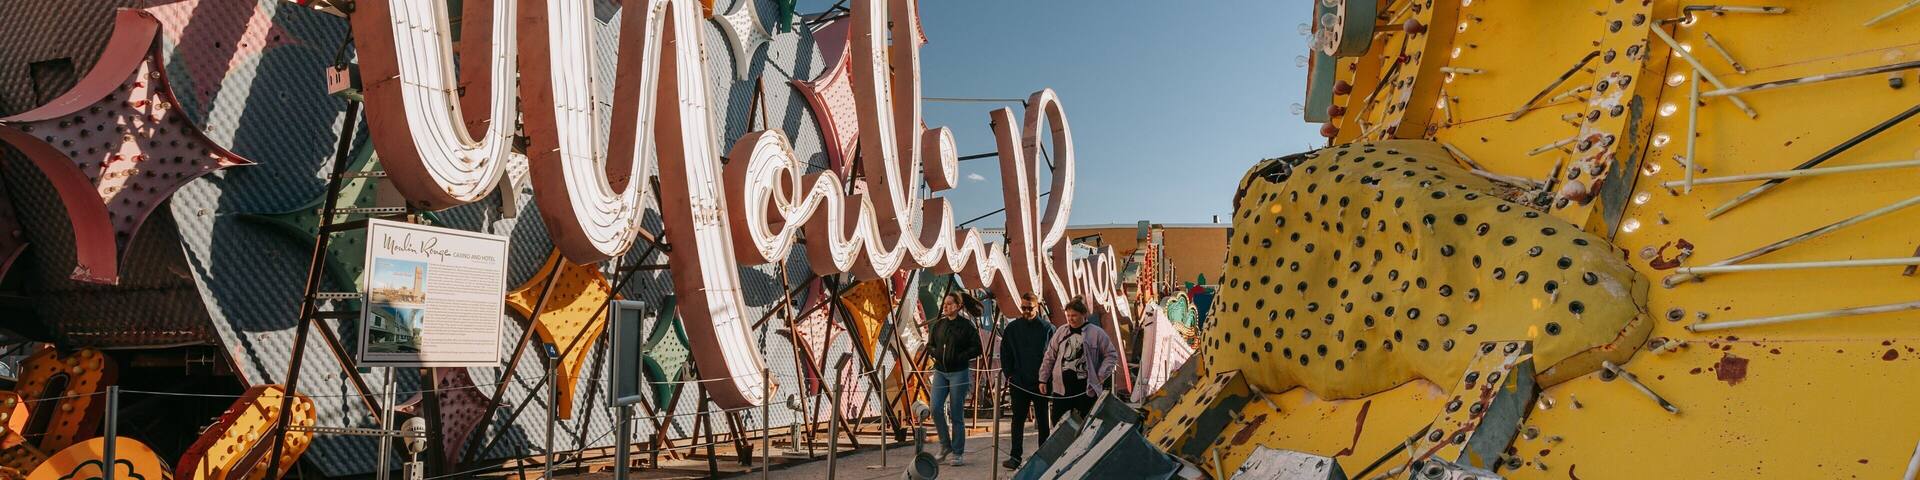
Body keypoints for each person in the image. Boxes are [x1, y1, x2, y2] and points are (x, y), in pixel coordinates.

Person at [1038, 298, 1119, 427]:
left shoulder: (1096, 333)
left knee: (1086, 423)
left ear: (1084, 314)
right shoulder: (1061, 332)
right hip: (1062, 388)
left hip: (1086, 389)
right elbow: (1049, 356)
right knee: (1058, 421)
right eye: (1068, 315)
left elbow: (1111, 355)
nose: (1071, 319)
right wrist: (1043, 379)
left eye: (1074, 315)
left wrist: (1101, 375)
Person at [998, 293, 1054, 470]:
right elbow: (1005, 352)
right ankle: (1015, 456)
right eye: (1023, 307)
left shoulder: (1047, 328)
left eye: (1029, 308)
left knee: (1043, 420)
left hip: (1041, 383)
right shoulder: (1013, 328)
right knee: (1018, 420)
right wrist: (1009, 374)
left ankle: (1044, 456)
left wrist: (1047, 379)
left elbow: (1053, 355)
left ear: (1037, 307)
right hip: (1019, 381)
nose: (1026, 311)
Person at [926, 291, 982, 466]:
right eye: (945, 303)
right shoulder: (939, 325)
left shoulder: (966, 326)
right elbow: (930, 344)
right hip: (940, 372)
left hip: (959, 372)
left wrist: (960, 356)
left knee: (957, 413)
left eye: (950, 304)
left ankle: (957, 452)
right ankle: (945, 446)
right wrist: (935, 353)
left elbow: (977, 348)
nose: (946, 306)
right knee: (935, 408)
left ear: (958, 306)